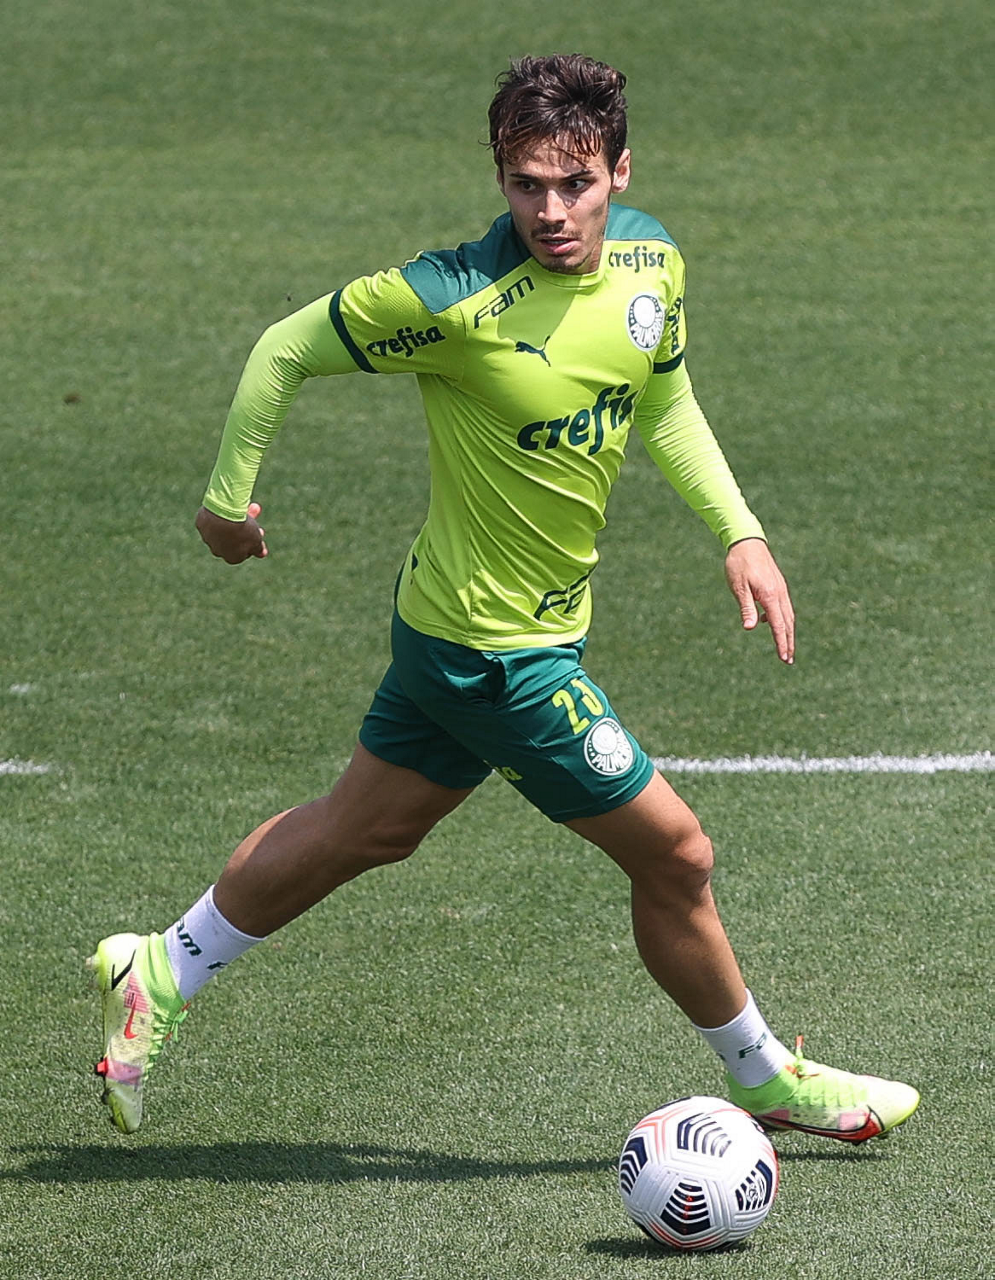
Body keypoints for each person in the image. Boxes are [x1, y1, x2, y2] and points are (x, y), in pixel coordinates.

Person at [90, 54, 918, 1142]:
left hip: (464, 626)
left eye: (574, 184)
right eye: (526, 185)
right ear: (500, 179)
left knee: (365, 829)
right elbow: (284, 347)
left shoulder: (650, 263)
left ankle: (159, 967)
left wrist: (739, 531)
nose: (550, 212)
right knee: (676, 853)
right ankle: (764, 1076)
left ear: (619, 171)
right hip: (495, 653)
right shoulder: (451, 299)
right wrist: (222, 505)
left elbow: (660, 397)